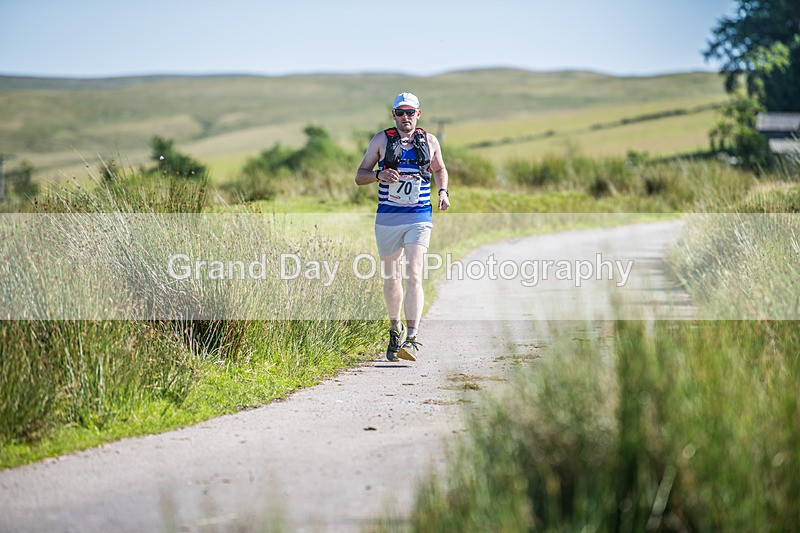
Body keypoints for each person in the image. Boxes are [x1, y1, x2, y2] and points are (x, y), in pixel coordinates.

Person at [354, 92, 450, 362]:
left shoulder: (430, 141)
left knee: (414, 274)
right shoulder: (381, 140)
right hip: (388, 218)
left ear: (419, 114)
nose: (405, 117)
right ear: (393, 115)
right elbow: (359, 176)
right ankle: (395, 328)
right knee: (391, 277)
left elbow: (440, 169)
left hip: (419, 217)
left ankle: (413, 337)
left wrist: (442, 192)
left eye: (410, 112)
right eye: (400, 112)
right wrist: (377, 175)